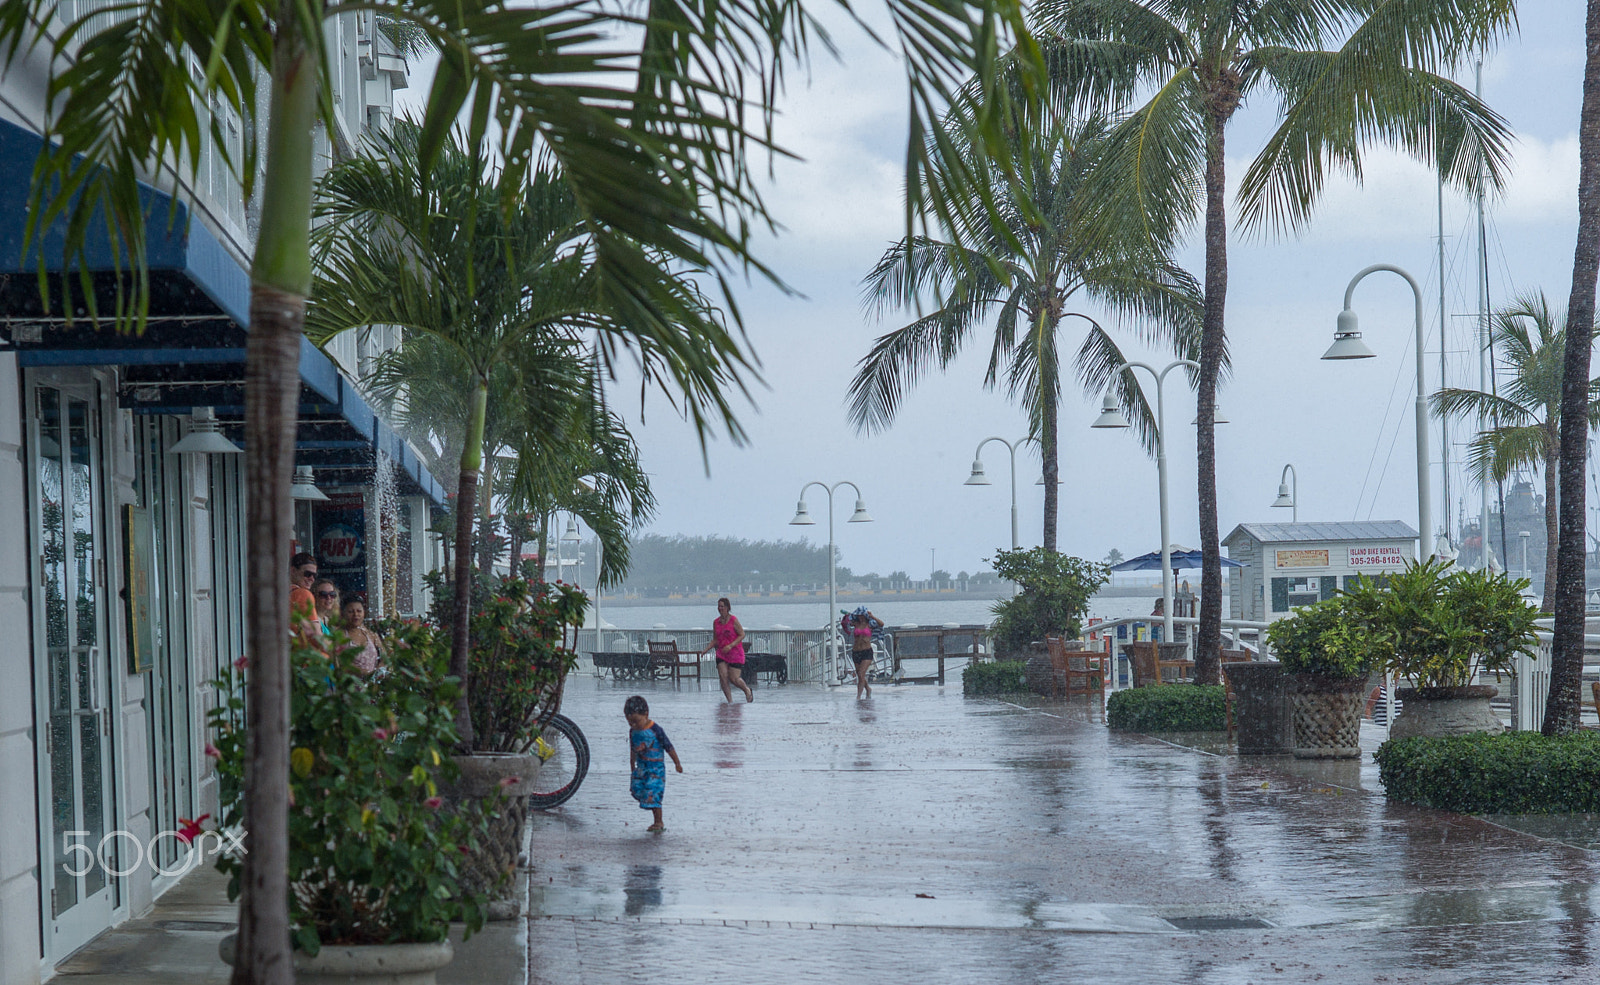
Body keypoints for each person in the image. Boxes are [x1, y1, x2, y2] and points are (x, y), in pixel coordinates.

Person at [624, 695, 682, 832]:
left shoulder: (656, 730)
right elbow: (633, 749)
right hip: (641, 768)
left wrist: (677, 763)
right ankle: (651, 808)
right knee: (636, 790)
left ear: (646, 714)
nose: (633, 725)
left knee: (653, 793)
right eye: (630, 722)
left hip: (656, 770)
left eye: (636, 721)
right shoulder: (633, 731)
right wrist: (632, 765)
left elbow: (668, 746)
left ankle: (658, 821)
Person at [699, 596, 753, 703]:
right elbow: (715, 639)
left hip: (735, 652)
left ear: (727, 607)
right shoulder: (716, 622)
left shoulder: (733, 620)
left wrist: (731, 645)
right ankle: (730, 701)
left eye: (722, 606)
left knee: (734, 679)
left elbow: (742, 634)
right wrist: (706, 649)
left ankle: (747, 690)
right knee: (723, 676)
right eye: (718, 606)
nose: (720, 608)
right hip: (721, 653)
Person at [341, 596, 383, 675]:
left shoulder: (372, 635)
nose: (356, 614)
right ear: (343, 613)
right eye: (350, 612)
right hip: (350, 685)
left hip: (372, 684)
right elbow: (340, 663)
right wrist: (365, 673)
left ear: (364, 612)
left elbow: (384, 658)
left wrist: (377, 672)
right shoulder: (340, 635)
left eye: (359, 611)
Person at [847, 608, 881, 699]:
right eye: (859, 616)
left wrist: (872, 616)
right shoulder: (856, 624)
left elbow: (881, 624)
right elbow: (847, 621)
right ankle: (868, 689)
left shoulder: (870, 624)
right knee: (859, 674)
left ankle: (858, 696)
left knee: (861, 673)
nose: (861, 618)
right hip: (856, 651)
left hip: (866, 651)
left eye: (862, 616)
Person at [289, 552, 321, 641]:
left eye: (314, 575)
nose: (312, 579)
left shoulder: (280, 594)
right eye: (307, 574)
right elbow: (316, 635)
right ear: (293, 571)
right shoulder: (303, 594)